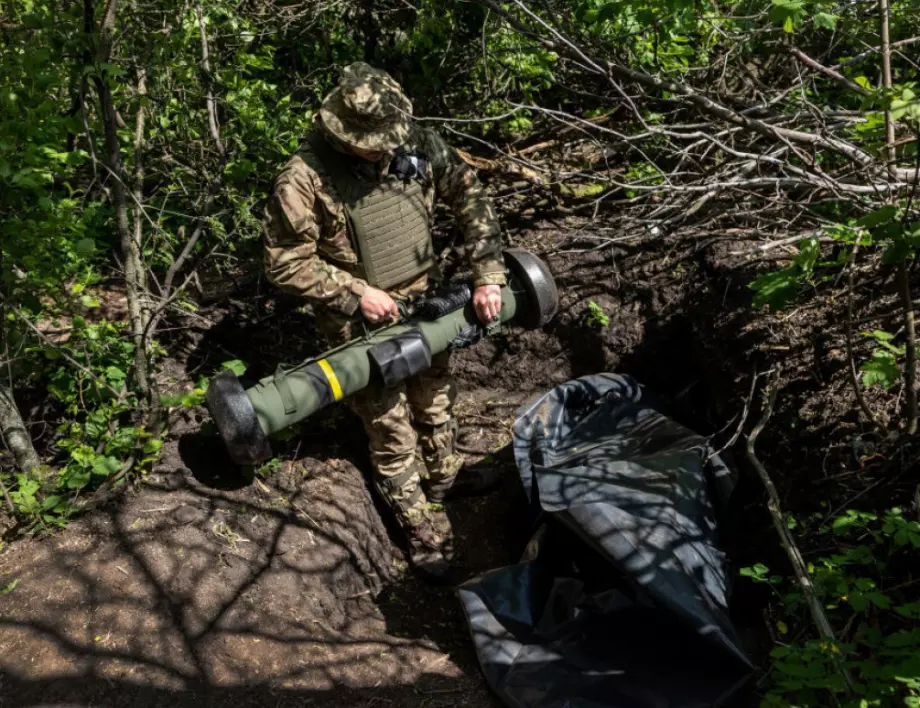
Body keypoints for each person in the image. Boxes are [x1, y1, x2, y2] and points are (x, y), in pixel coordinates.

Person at [261, 62, 507, 578]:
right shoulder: (303, 177)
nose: (386, 150)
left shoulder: (415, 141)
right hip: (359, 325)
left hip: (426, 303)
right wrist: (355, 292)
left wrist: (488, 274)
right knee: (389, 422)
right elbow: (284, 262)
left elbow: (471, 198)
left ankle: (445, 473)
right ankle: (417, 524)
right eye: (372, 143)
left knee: (436, 391)